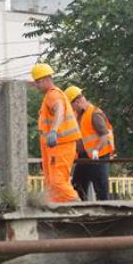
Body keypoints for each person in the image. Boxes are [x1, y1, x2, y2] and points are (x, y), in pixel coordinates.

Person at [30, 63, 81, 203]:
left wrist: (53, 130)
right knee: (52, 183)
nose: (36, 85)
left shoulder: (53, 94)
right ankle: (58, 210)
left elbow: (60, 110)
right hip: (54, 146)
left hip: (60, 145)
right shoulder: (50, 96)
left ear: (47, 79)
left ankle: (80, 208)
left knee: (58, 182)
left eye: (38, 81)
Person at [64, 85, 115, 201]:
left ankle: (105, 212)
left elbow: (104, 135)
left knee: (101, 187)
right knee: (78, 184)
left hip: (99, 156)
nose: (71, 108)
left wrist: (96, 150)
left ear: (77, 101)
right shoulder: (77, 115)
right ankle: (82, 210)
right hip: (85, 156)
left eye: (71, 105)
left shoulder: (94, 114)